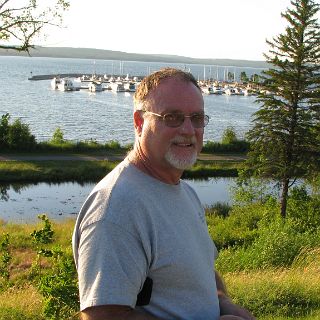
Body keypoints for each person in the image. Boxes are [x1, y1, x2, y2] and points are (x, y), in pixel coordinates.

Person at [72, 68, 256, 320]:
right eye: (172, 117)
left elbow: (201, 273)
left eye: (197, 117)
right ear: (139, 122)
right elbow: (105, 315)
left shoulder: (185, 193)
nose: (189, 129)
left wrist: (224, 303)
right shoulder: (116, 206)